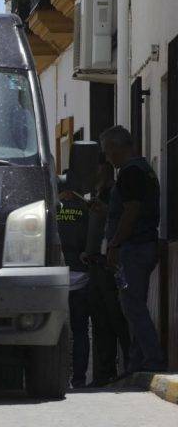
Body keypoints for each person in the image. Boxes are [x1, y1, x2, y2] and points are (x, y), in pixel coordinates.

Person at [101, 125, 165, 374]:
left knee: (132, 307)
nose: (108, 157)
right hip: (144, 245)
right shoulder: (145, 170)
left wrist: (114, 243)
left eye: (108, 151)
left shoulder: (130, 173)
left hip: (134, 248)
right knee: (134, 305)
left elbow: (131, 212)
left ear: (118, 147)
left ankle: (152, 361)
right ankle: (136, 364)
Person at [82, 158, 130, 385]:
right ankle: (104, 372)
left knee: (116, 317)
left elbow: (121, 220)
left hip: (107, 265)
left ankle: (131, 363)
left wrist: (106, 209)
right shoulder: (96, 196)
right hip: (94, 264)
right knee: (100, 320)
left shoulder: (113, 194)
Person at [57, 181, 92, 388]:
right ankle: (78, 379)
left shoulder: (49, 209)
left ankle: (57, 376)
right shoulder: (86, 209)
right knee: (80, 331)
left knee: (56, 329)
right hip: (81, 275)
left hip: (56, 275)